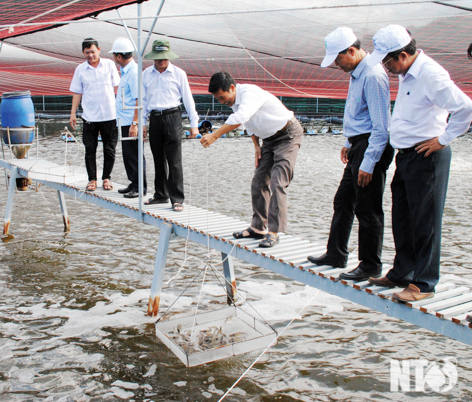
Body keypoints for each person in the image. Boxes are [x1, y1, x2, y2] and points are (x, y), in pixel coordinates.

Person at [366, 25, 472, 302]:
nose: (386, 68)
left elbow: (465, 108)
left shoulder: (431, 74)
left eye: (387, 62)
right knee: (402, 216)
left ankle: (424, 283)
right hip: (407, 155)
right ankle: (402, 272)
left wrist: (444, 139)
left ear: (401, 55)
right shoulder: (408, 73)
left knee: (426, 221)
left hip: (427, 156)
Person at [307, 27, 394, 282]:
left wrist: (369, 160)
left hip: (371, 146)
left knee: (367, 208)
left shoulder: (373, 75)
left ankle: (370, 265)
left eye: (338, 58)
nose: (336, 63)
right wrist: (349, 141)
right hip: (359, 143)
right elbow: (359, 113)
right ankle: (335, 253)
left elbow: (381, 125)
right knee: (344, 200)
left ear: (352, 50)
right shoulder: (357, 72)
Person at [200, 71, 303, 248]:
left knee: (278, 182)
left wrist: (214, 135)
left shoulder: (250, 93)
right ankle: (258, 228)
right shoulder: (234, 101)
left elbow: (240, 118)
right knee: (258, 181)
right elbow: (250, 124)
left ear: (232, 88)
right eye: (218, 99)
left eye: (222, 97)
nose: (222, 102)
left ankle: (273, 232)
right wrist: (256, 145)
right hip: (268, 141)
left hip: (288, 135)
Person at [142, 39, 199, 211]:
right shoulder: (146, 74)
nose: (162, 61)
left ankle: (177, 198)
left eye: (165, 57)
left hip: (173, 117)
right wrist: (141, 123)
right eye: (158, 58)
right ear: (153, 58)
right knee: (158, 159)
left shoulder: (178, 73)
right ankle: (161, 194)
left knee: (174, 160)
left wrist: (194, 124)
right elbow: (143, 100)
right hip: (155, 118)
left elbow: (188, 99)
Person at [69, 38, 120, 191]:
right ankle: (92, 179)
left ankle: (106, 178)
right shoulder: (80, 70)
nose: (90, 55)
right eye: (87, 53)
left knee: (109, 149)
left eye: (92, 51)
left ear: (99, 49)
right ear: (83, 53)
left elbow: (118, 88)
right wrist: (73, 113)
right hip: (89, 116)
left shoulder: (109, 65)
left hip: (110, 115)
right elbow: (77, 92)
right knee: (90, 149)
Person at [108, 37, 147, 198]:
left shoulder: (133, 72)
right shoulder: (127, 72)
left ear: (118, 56)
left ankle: (140, 187)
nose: (114, 59)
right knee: (128, 154)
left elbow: (139, 99)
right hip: (125, 120)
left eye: (114, 56)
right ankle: (134, 182)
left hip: (131, 121)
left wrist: (135, 123)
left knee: (135, 154)